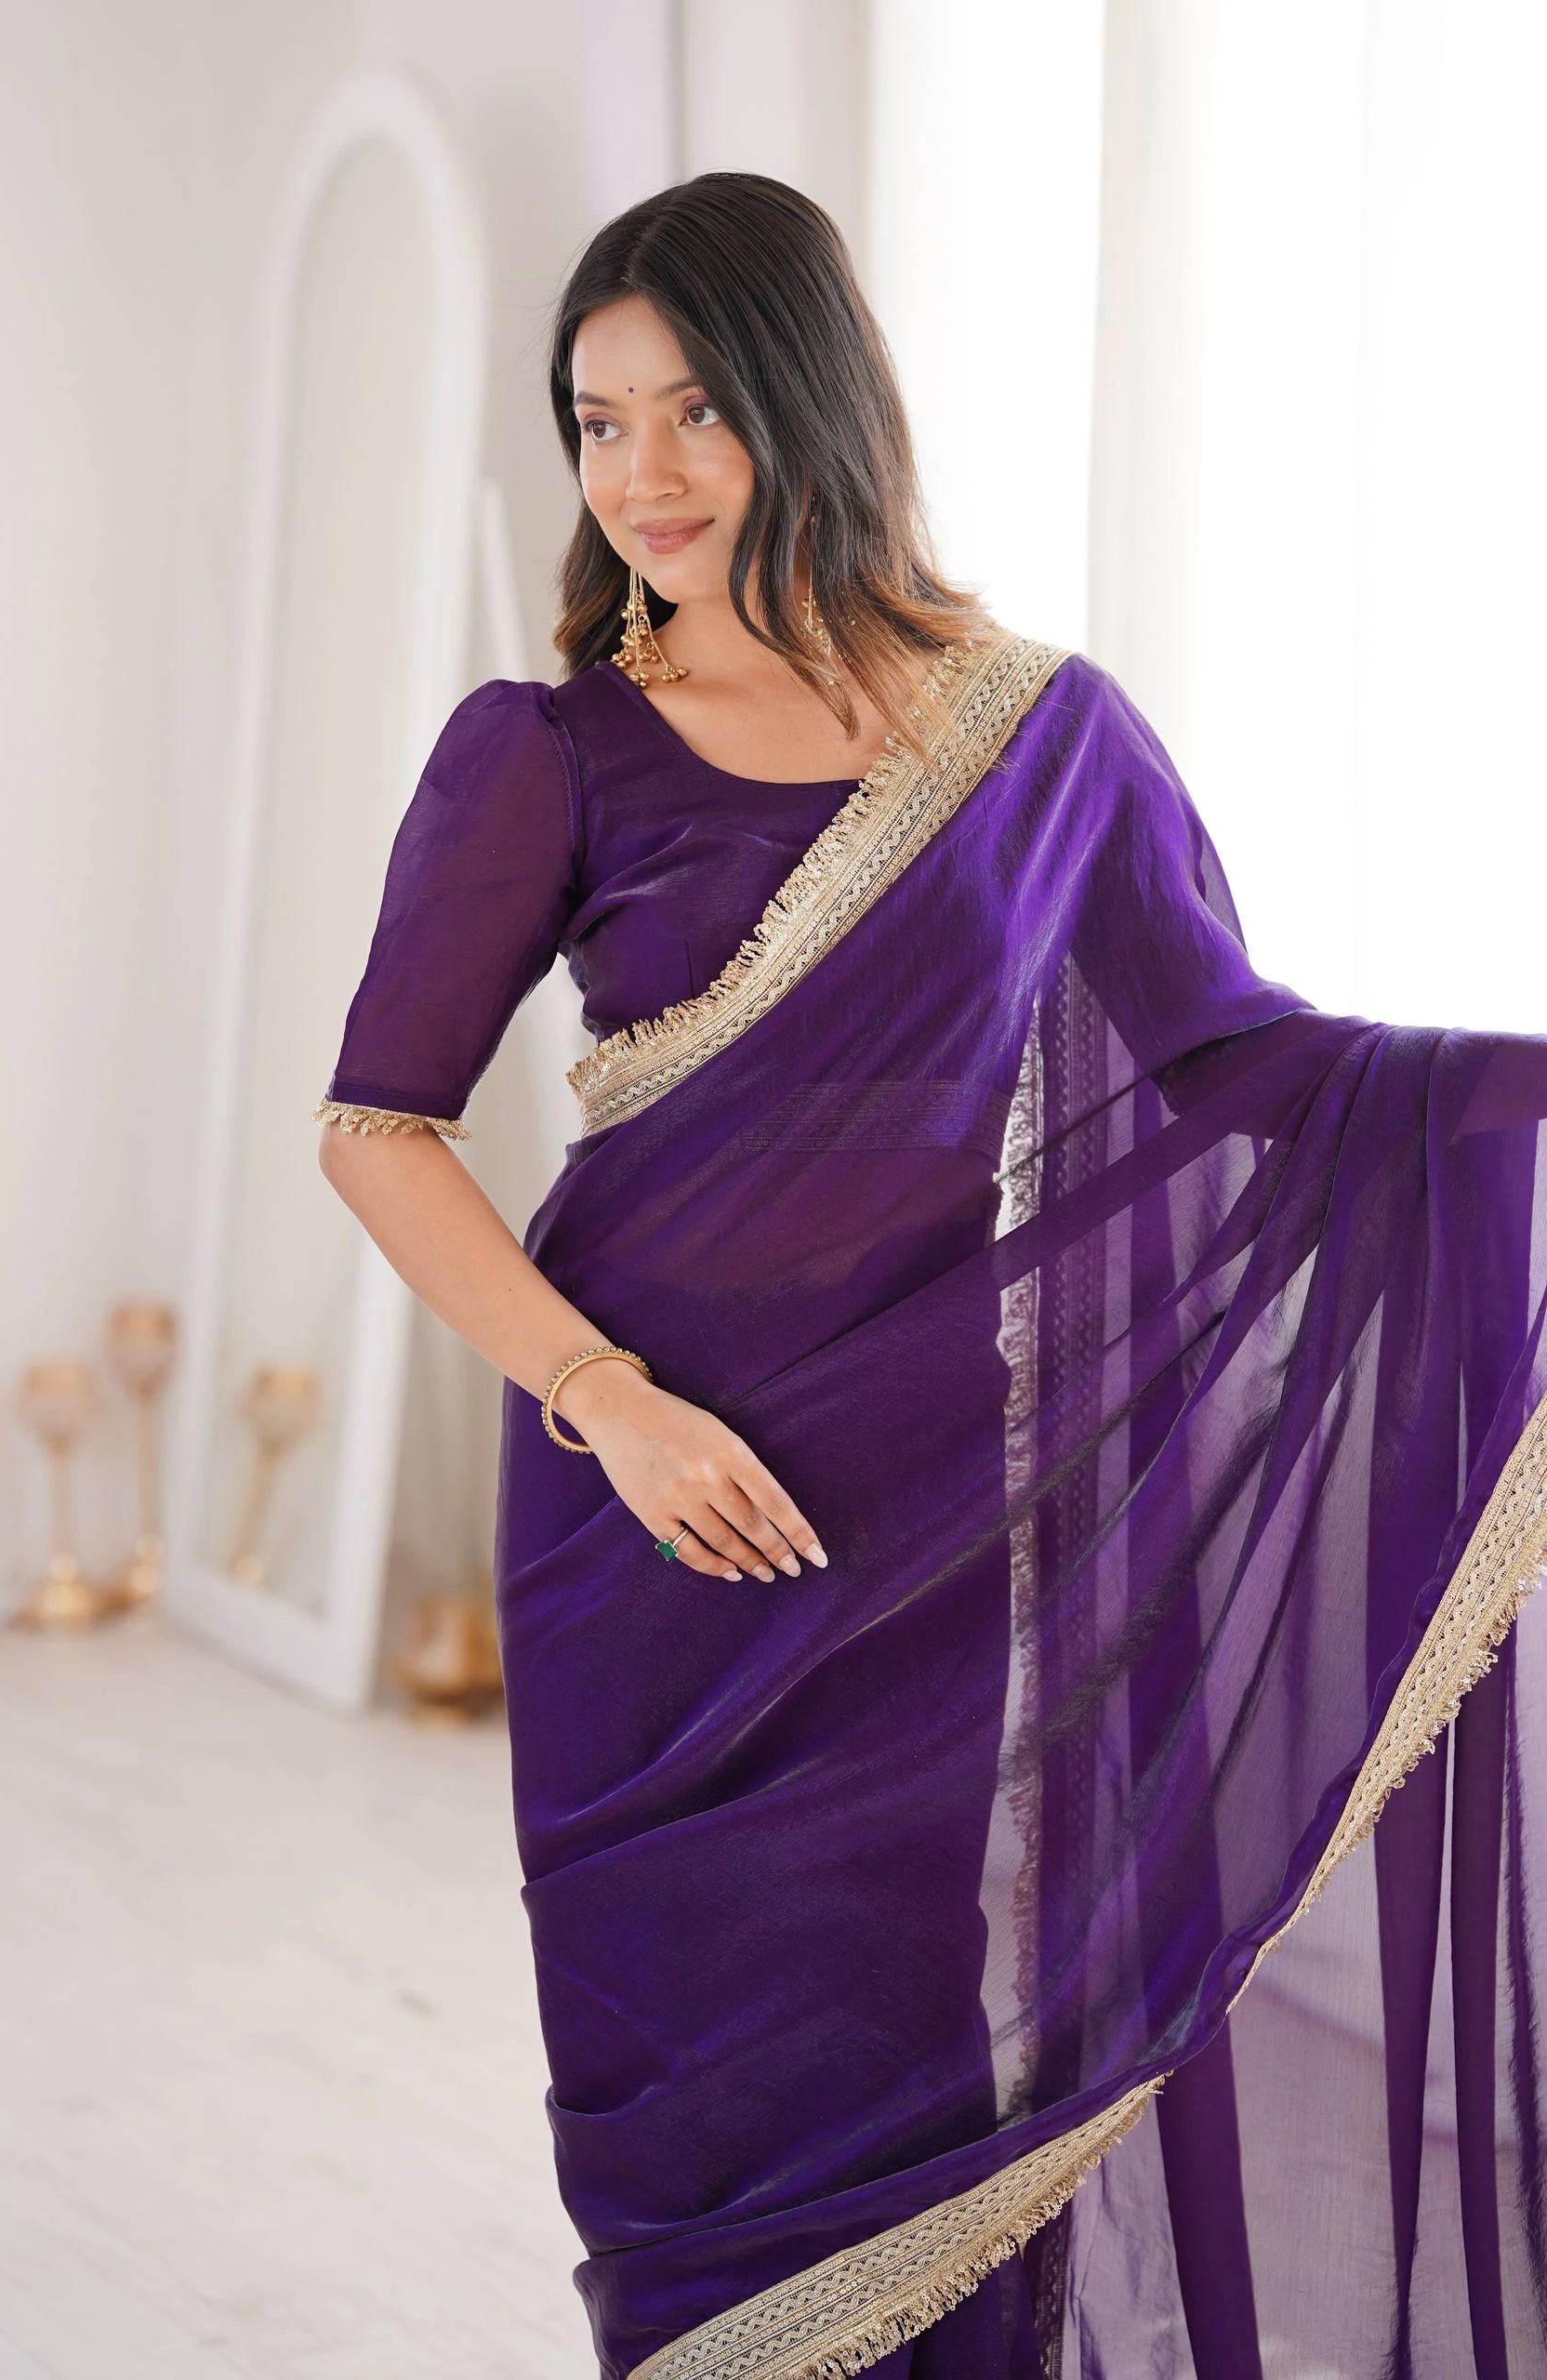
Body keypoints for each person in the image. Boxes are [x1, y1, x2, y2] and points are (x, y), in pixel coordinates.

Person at [314, 172, 1547, 2380]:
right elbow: (377, 1125)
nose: (645, 476)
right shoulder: (548, 747)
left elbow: (1251, 1062)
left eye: (692, 411)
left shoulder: (1039, 732)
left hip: (923, 1496)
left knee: (905, 2039)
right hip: (645, 1483)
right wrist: (609, 1398)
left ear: (812, 402)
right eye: (596, 425)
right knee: (677, 2072)